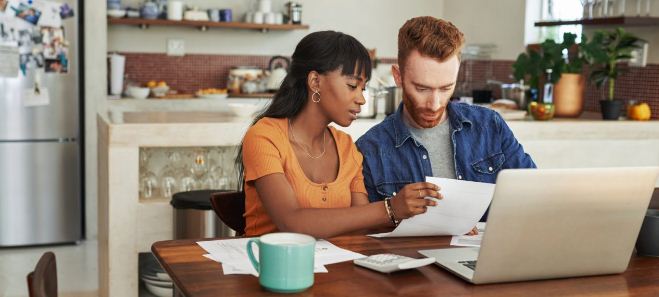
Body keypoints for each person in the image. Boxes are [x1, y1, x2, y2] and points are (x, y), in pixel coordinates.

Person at [238, 31, 441, 238]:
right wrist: (390, 208)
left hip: (335, 267)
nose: (361, 99)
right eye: (352, 86)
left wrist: (436, 223)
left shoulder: (346, 147)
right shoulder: (265, 137)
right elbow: (292, 223)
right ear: (315, 82)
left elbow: (362, 225)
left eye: (363, 88)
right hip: (268, 266)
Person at [356, 17, 536, 222]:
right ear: (398, 76)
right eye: (422, 89)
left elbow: (533, 192)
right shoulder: (369, 149)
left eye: (446, 88)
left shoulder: (490, 125)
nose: (434, 104)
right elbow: (368, 236)